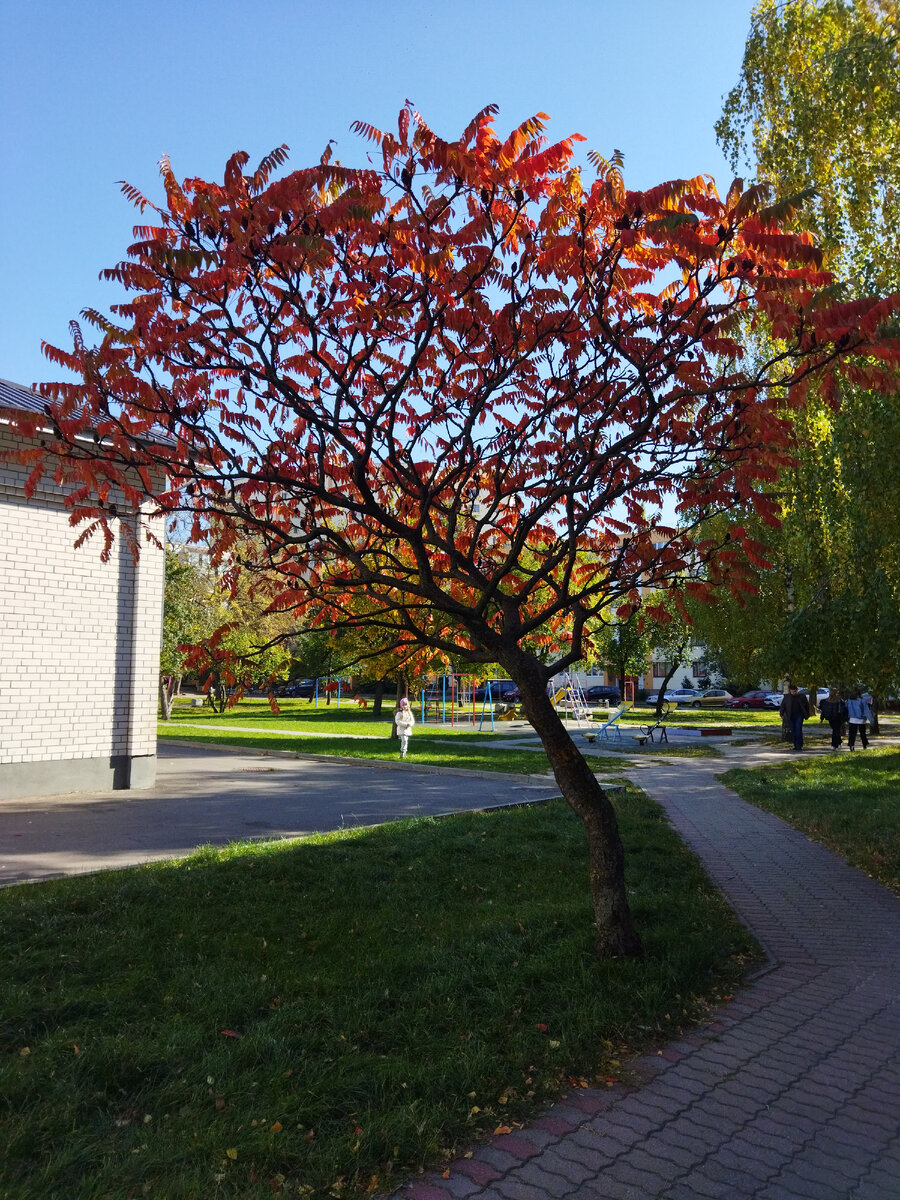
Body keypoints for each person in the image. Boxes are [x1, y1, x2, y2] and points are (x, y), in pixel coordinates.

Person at [779, 684, 810, 751]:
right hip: (790, 716)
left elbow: (807, 706)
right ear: (790, 691)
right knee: (793, 731)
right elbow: (783, 705)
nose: (793, 693)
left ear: (797, 690)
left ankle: (799, 745)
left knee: (798, 730)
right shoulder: (787, 697)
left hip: (799, 715)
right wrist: (781, 714)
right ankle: (795, 745)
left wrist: (807, 714)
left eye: (795, 691)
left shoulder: (801, 696)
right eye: (792, 692)